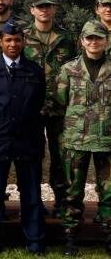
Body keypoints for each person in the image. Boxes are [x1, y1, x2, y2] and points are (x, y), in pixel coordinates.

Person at [0, 20, 46, 255]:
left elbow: (39, 103)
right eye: (8, 40)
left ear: (23, 42)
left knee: (32, 194)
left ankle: (34, 240)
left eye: (17, 40)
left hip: (28, 140)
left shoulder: (35, 71)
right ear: (0, 42)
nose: (13, 44)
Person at [56, 20, 111, 257]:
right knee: (73, 192)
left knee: (109, 191)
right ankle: (70, 237)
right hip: (76, 138)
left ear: (106, 41)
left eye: (98, 37)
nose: (94, 42)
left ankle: (109, 236)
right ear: (82, 41)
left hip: (107, 139)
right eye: (89, 38)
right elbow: (60, 101)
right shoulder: (69, 70)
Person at [24, 0, 76, 217]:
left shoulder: (66, 38)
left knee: (61, 156)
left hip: (60, 108)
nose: (44, 10)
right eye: (40, 6)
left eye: (48, 6)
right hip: (31, 108)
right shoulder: (22, 36)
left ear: (54, 9)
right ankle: (34, 202)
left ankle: (62, 201)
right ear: (32, 10)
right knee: (32, 156)